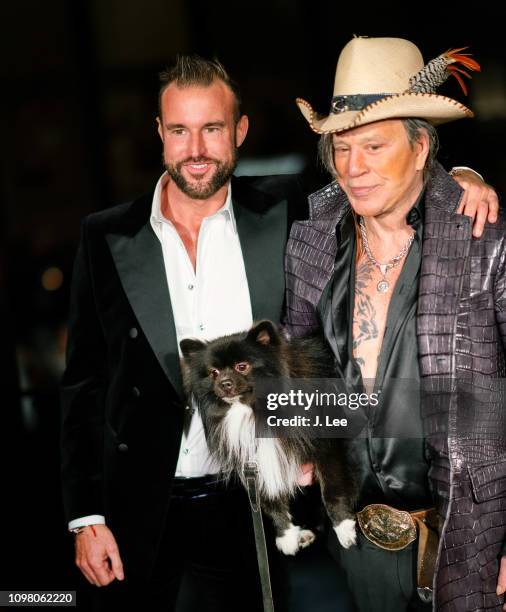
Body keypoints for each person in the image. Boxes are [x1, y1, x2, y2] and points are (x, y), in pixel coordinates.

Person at [61, 53, 498, 612]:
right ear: (160, 134)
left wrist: (465, 181)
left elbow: (382, 182)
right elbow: (84, 384)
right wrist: (85, 517)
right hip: (137, 501)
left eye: (212, 128)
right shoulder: (105, 237)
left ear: (239, 132)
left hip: (256, 500)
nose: (196, 149)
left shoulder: (290, 210)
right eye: (179, 130)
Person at [284, 36, 506, 612]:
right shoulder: (312, 238)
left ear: (421, 146)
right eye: (340, 148)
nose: (353, 169)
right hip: (360, 545)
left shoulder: (484, 237)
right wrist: (298, 440)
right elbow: (299, 359)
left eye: (374, 146)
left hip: (474, 539)